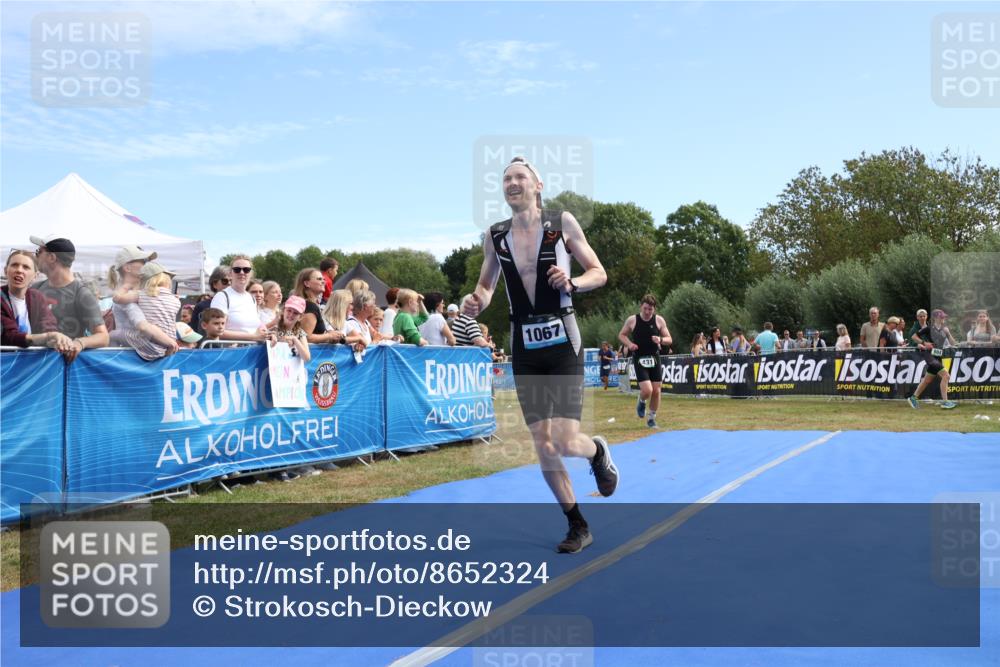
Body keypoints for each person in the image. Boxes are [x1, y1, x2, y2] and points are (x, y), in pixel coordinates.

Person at [464, 155, 617, 555]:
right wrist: (475, 301)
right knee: (543, 444)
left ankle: (597, 450)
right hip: (525, 348)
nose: (512, 183)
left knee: (566, 441)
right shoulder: (495, 236)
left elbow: (598, 272)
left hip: (563, 341)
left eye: (520, 177)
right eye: (506, 179)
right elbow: (486, 287)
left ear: (538, 184)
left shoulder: (561, 222)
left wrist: (574, 282)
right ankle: (577, 523)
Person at [30, 236, 108, 361]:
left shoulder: (82, 294)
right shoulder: (35, 288)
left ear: (52, 257)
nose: (35, 256)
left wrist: (79, 343)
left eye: (39, 252)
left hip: (60, 370)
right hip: (29, 366)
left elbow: (103, 337)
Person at [1, 250, 75, 357]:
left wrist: (56, 341)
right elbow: (9, 336)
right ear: (5, 270)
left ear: (35, 275)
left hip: (31, 364)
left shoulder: (37, 297)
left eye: (26, 267)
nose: (19, 270)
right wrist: (48, 336)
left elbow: (48, 326)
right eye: (14, 265)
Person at [619, 295, 672, 427]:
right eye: (645, 309)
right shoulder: (632, 320)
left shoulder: (659, 320)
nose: (648, 312)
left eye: (651, 309)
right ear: (641, 306)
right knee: (647, 390)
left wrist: (660, 340)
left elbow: (669, 339)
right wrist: (630, 344)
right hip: (639, 357)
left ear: (654, 309)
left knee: (657, 390)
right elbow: (621, 335)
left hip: (654, 357)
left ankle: (651, 419)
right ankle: (641, 401)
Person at [123, 262, 182, 361]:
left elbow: (120, 299)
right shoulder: (176, 301)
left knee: (115, 335)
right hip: (167, 348)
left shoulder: (139, 295)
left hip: (147, 346)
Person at [907, 309, 957, 410]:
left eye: (944, 317)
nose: (943, 318)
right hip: (929, 355)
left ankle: (913, 398)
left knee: (927, 380)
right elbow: (913, 336)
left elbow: (953, 343)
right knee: (946, 376)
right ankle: (946, 402)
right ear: (935, 318)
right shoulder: (928, 328)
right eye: (941, 317)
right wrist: (924, 343)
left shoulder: (945, 329)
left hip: (938, 356)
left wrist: (949, 334)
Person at [210, 255, 267, 341]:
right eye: (237, 270)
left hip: (253, 350)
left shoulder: (252, 298)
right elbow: (216, 331)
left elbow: (256, 328)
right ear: (230, 273)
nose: (241, 272)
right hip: (232, 352)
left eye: (246, 270)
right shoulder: (222, 297)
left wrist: (268, 335)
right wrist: (253, 337)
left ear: (251, 273)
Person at [292, 268, 344, 345]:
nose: (324, 281)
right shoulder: (309, 306)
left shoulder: (308, 304)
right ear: (307, 283)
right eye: (319, 279)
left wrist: (330, 337)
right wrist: (329, 336)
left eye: (323, 279)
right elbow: (305, 337)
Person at [267, 295, 311, 363]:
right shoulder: (274, 328)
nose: (291, 314)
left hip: (291, 371)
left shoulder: (300, 333)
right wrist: (272, 338)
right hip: (274, 369)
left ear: (300, 317)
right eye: (289, 310)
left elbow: (307, 358)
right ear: (283, 311)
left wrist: (295, 340)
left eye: (295, 313)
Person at [192, 266, 230, 335]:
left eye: (232, 281)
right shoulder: (202, 306)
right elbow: (195, 332)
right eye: (225, 281)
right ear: (214, 284)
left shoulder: (240, 303)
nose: (229, 284)